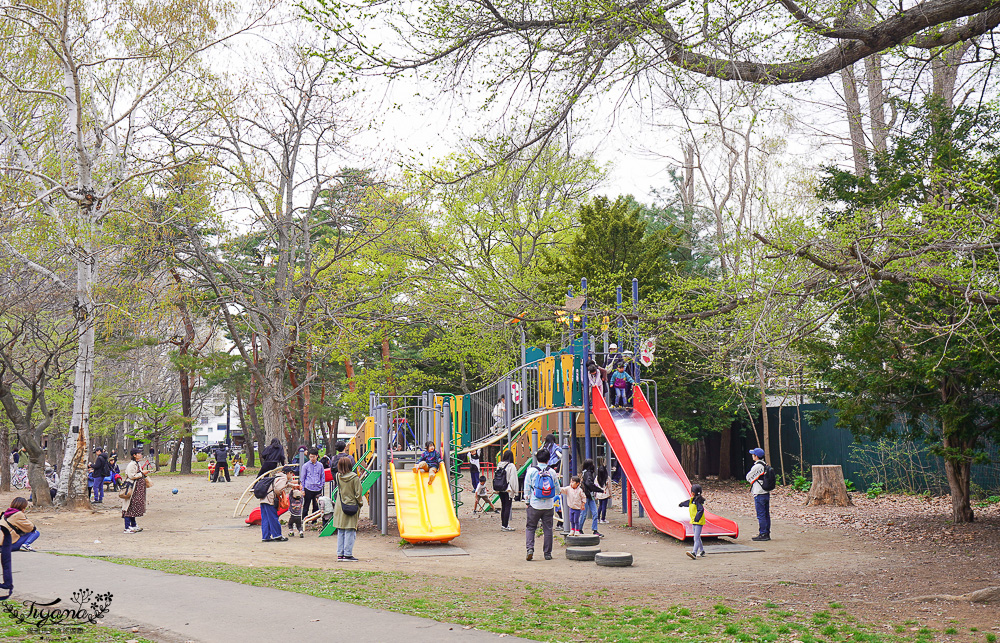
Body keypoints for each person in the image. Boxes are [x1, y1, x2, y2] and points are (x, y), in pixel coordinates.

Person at [524, 448, 556, 561]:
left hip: (534, 504)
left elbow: (527, 488)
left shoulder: (531, 471)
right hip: (548, 505)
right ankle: (547, 553)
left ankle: (530, 549)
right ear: (548, 460)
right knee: (548, 529)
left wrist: (527, 502)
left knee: (530, 527)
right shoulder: (551, 472)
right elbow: (556, 488)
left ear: (537, 459)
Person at [0, 496, 35, 599]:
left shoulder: (7, 513)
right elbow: (31, 527)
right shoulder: (18, 514)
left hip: (3, 542)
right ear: (22, 507)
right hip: (9, 543)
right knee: (35, 533)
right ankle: (26, 544)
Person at [333, 455, 363, 561]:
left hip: (340, 506)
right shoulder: (354, 477)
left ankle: (340, 554)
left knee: (341, 530)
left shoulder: (338, 476)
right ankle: (348, 554)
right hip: (351, 505)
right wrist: (359, 504)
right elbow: (358, 493)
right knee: (350, 531)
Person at [121, 447, 151, 534]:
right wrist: (142, 473)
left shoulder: (137, 464)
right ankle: (127, 527)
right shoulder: (131, 465)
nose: (140, 455)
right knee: (129, 507)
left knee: (134, 506)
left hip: (137, 489)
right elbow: (131, 476)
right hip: (132, 488)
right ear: (134, 455)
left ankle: (133, 525)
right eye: (139, 453)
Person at [746, 447, 771, 541]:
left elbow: (748, 477)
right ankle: (767, 532)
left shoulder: (757, 466)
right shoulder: (765, 465)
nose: (752, 456)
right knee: (766, 514)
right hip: (766, 492)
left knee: (761, 514)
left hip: (759, 493)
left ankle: (763, 533)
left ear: (756, 456)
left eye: (753, 454)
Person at [260, 467, 290, 542]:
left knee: (265, 518)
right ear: (289, 473)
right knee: (273, 517)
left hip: (263, 499)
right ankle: (277, 535)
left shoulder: (276, 476)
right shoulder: (283, 478)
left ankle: (265, 536)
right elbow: (278, 489)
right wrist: (280, 494)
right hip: (270, 499)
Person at [679, 484, 706, 559]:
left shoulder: (698, 501)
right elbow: (688, 503)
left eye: (693, 492)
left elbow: (701, 510)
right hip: (694, 521)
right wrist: (682, 504)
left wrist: (697, 518)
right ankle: (702, 550)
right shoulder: (693, 500)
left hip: (698, 522)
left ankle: (694, 552)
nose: (692, 493)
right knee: (697, 537)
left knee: (696, 538)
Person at [580, 458, 605, 537]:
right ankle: (579, 529)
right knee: (585, 514)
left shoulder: (585, 473)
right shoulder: (588, 474)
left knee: (594, 513)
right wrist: (599, 490)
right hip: (586, 496)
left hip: (589, 496)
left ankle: (594, 530)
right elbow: (589, 483)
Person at [496, 449, 518, 532]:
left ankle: (503, 524)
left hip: (500, 487)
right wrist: (515, 490)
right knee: (508, 506)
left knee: (503, 506)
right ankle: (505, 525)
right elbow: (513, 479)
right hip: (508, 489)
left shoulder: (499, 464)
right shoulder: (511, 466)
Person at [300, 447, 324, 517]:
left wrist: (321, 485)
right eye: (310, 457)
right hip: (308, 488)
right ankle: (304, 519)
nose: (312, 458)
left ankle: (314, 520)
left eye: (313, 457)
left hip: (318, 488)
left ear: (317, 456)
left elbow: (322, 476)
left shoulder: (320, 465)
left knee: (316, 506)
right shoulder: (306, 466)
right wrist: (303, 489)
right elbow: (303, 478)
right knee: (306, 505)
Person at [596, 458, 611, 524]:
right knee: (604, 506)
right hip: (605, 493)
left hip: (599, 494)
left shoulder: (597, 478)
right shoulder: (607, 478)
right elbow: (609, 487)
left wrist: (595, 494)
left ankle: (598, 518)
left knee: (600, 506)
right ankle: (603, 518)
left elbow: (595, 486)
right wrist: (610, 494)